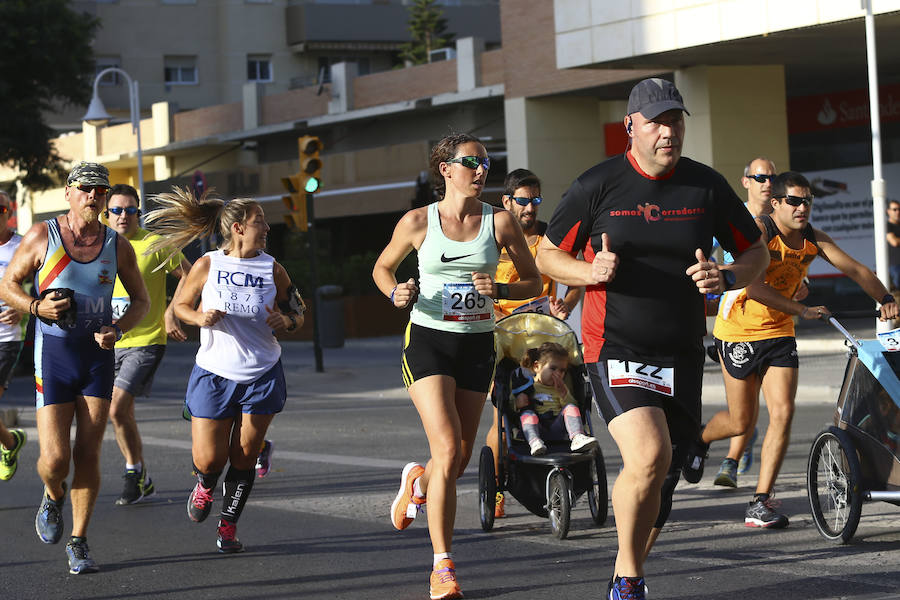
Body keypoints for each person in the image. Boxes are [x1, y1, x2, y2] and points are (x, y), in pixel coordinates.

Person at [535, 78, 768, 600]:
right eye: (658, 121)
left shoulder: (704, 186)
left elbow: (757, 253)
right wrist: (588, 272)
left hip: (682, 351)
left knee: (664, 476)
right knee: (647, 453)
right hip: (613, 344)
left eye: (677, 120)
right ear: (631, 127)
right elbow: (546, 256)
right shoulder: (597, 185)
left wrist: (728, 277)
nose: (670, 131)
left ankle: (628, 570)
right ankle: (629, 577)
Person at [373, 132, 541, 600]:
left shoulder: (501, 222)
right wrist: (395, 293)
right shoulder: (417, 221)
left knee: (460, 458)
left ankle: (417, 482)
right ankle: (442, 565)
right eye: (471, 162)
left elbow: (530, 279)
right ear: (446, 169)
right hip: (428, 342)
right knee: (447, 448)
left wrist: (500, 292)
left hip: (476, 345)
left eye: (486, 162)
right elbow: (382, 268)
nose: (481, 170)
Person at [685, 171, 899, 528]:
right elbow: (753, 289)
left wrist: (886, 298)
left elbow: (856, 269)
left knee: (783, 413)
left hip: (779, 333)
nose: (803, 208)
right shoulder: (760, 232)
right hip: (739, 330)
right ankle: (698, 438)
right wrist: (803, 309)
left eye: (808, 201)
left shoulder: (812, 238)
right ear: (776, 204)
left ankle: (760, 501)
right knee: (741, 421)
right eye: (795, 201)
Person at [0, 162, 149, 574]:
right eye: (86, 189)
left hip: (97, 359)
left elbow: (141, 301)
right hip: (54, 357)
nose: (94, 197)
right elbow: (7, 284)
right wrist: (35, 306)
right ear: (68, 192)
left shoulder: (116, 245)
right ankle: (52, 495)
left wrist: (117, 330)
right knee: (54, 460)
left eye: (100, 192)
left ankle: (79, 541)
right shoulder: (42, 236)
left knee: (88, 452)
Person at [144, 187, 304, 554]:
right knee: (209, 459)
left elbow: (299, 311)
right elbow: (181, 306)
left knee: (245, 455)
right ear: (237, 228)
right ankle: (204, 485)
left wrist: (287, 320)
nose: (266, 227)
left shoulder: (272, 267)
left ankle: (228, 525)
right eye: (259, 221)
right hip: (214, 372)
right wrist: (199, 316)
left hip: (262, 373)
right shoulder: (208, 264)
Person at [488, 168, 584, 518]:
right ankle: (497, 486)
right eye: (524, 201)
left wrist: (566, 306)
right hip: (506, 341)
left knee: (564, 398)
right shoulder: (494, 242)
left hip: (545, 340)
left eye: (536, 201)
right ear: (507, 201)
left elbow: (576, 276)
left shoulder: (549, 240)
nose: (530, 208)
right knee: (502, 417)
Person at [105, 184, 192, 505]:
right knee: (119, 413)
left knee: (116, 408)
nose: (123, 215)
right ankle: (138, 472)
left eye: (130, 209)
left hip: (147, 340)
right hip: (107, 343)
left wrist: (172, 312)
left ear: (138, 212)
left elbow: (190, 275)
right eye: (117, 210)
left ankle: (132, 473)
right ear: (107, 213)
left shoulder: (155, 244)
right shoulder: (99, 247)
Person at [707, 157, 779, 488]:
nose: (767, 182)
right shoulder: (732, 219)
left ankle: (731, 461)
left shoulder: (787, 218)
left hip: (775, 323)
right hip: (735, 321)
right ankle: (731, 448)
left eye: (772, 177)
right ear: (746, 181)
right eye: (760, 177)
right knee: (742, 409)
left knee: (775, 405)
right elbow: (712, 264)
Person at [511, 341, 597, 456]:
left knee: (571, 407)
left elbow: (575, 410)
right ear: (537, 366)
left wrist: (564, 393)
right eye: (553, 368)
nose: (558, 374)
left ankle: (577, 436)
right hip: (537, 427)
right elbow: (509, 408)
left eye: (562, 371)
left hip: (559, 427)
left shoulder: (562, 387)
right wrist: (517, 403)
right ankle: (534, 442)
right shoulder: (527, 386)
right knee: (527, 414)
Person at [0, 189, 26, 482]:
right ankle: (10, 442)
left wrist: (24, 309)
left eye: (1, 209)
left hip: (5, 338)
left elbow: (44, 288)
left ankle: (9, 442)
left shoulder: (21, 246)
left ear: (9, 213)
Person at [886, 199, 900, 292]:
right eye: (894, 209)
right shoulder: (886, 225)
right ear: (888, 211)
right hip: (895, 264)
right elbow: (894, 242)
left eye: (899, 209)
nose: (897, 212)